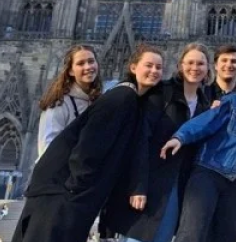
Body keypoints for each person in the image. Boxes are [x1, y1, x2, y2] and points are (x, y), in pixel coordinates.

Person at [12, 44, 164, 242]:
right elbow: (90, 144)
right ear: (133, 67)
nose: (154, 71)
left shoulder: (126, 98)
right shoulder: (123, 97)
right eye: (149, 65)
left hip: (62, 189)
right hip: (62, 190)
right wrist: (78, 189)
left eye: (159, 67)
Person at [105, 43, 211, 242]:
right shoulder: (162, 93)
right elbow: (141, 140)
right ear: (180, 66)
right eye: (190, 62)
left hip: (177, 190)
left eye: (200, 63)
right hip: (150, 184)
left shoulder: (205, 106)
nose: (194, 68)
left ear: (207, 69)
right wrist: (137, 186)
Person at [159, 58, 236, 242]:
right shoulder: (235, 101)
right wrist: (181, 136)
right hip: (211, 171)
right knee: (193, 234)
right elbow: (208, 120)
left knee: (228, 236)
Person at [37, 45, 103, 158]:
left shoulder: (99, 101)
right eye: (80, 63)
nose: (88, 67)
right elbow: (47, 148)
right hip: (61, 172)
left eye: (91, 61)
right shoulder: (59, 102)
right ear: (71, 71)